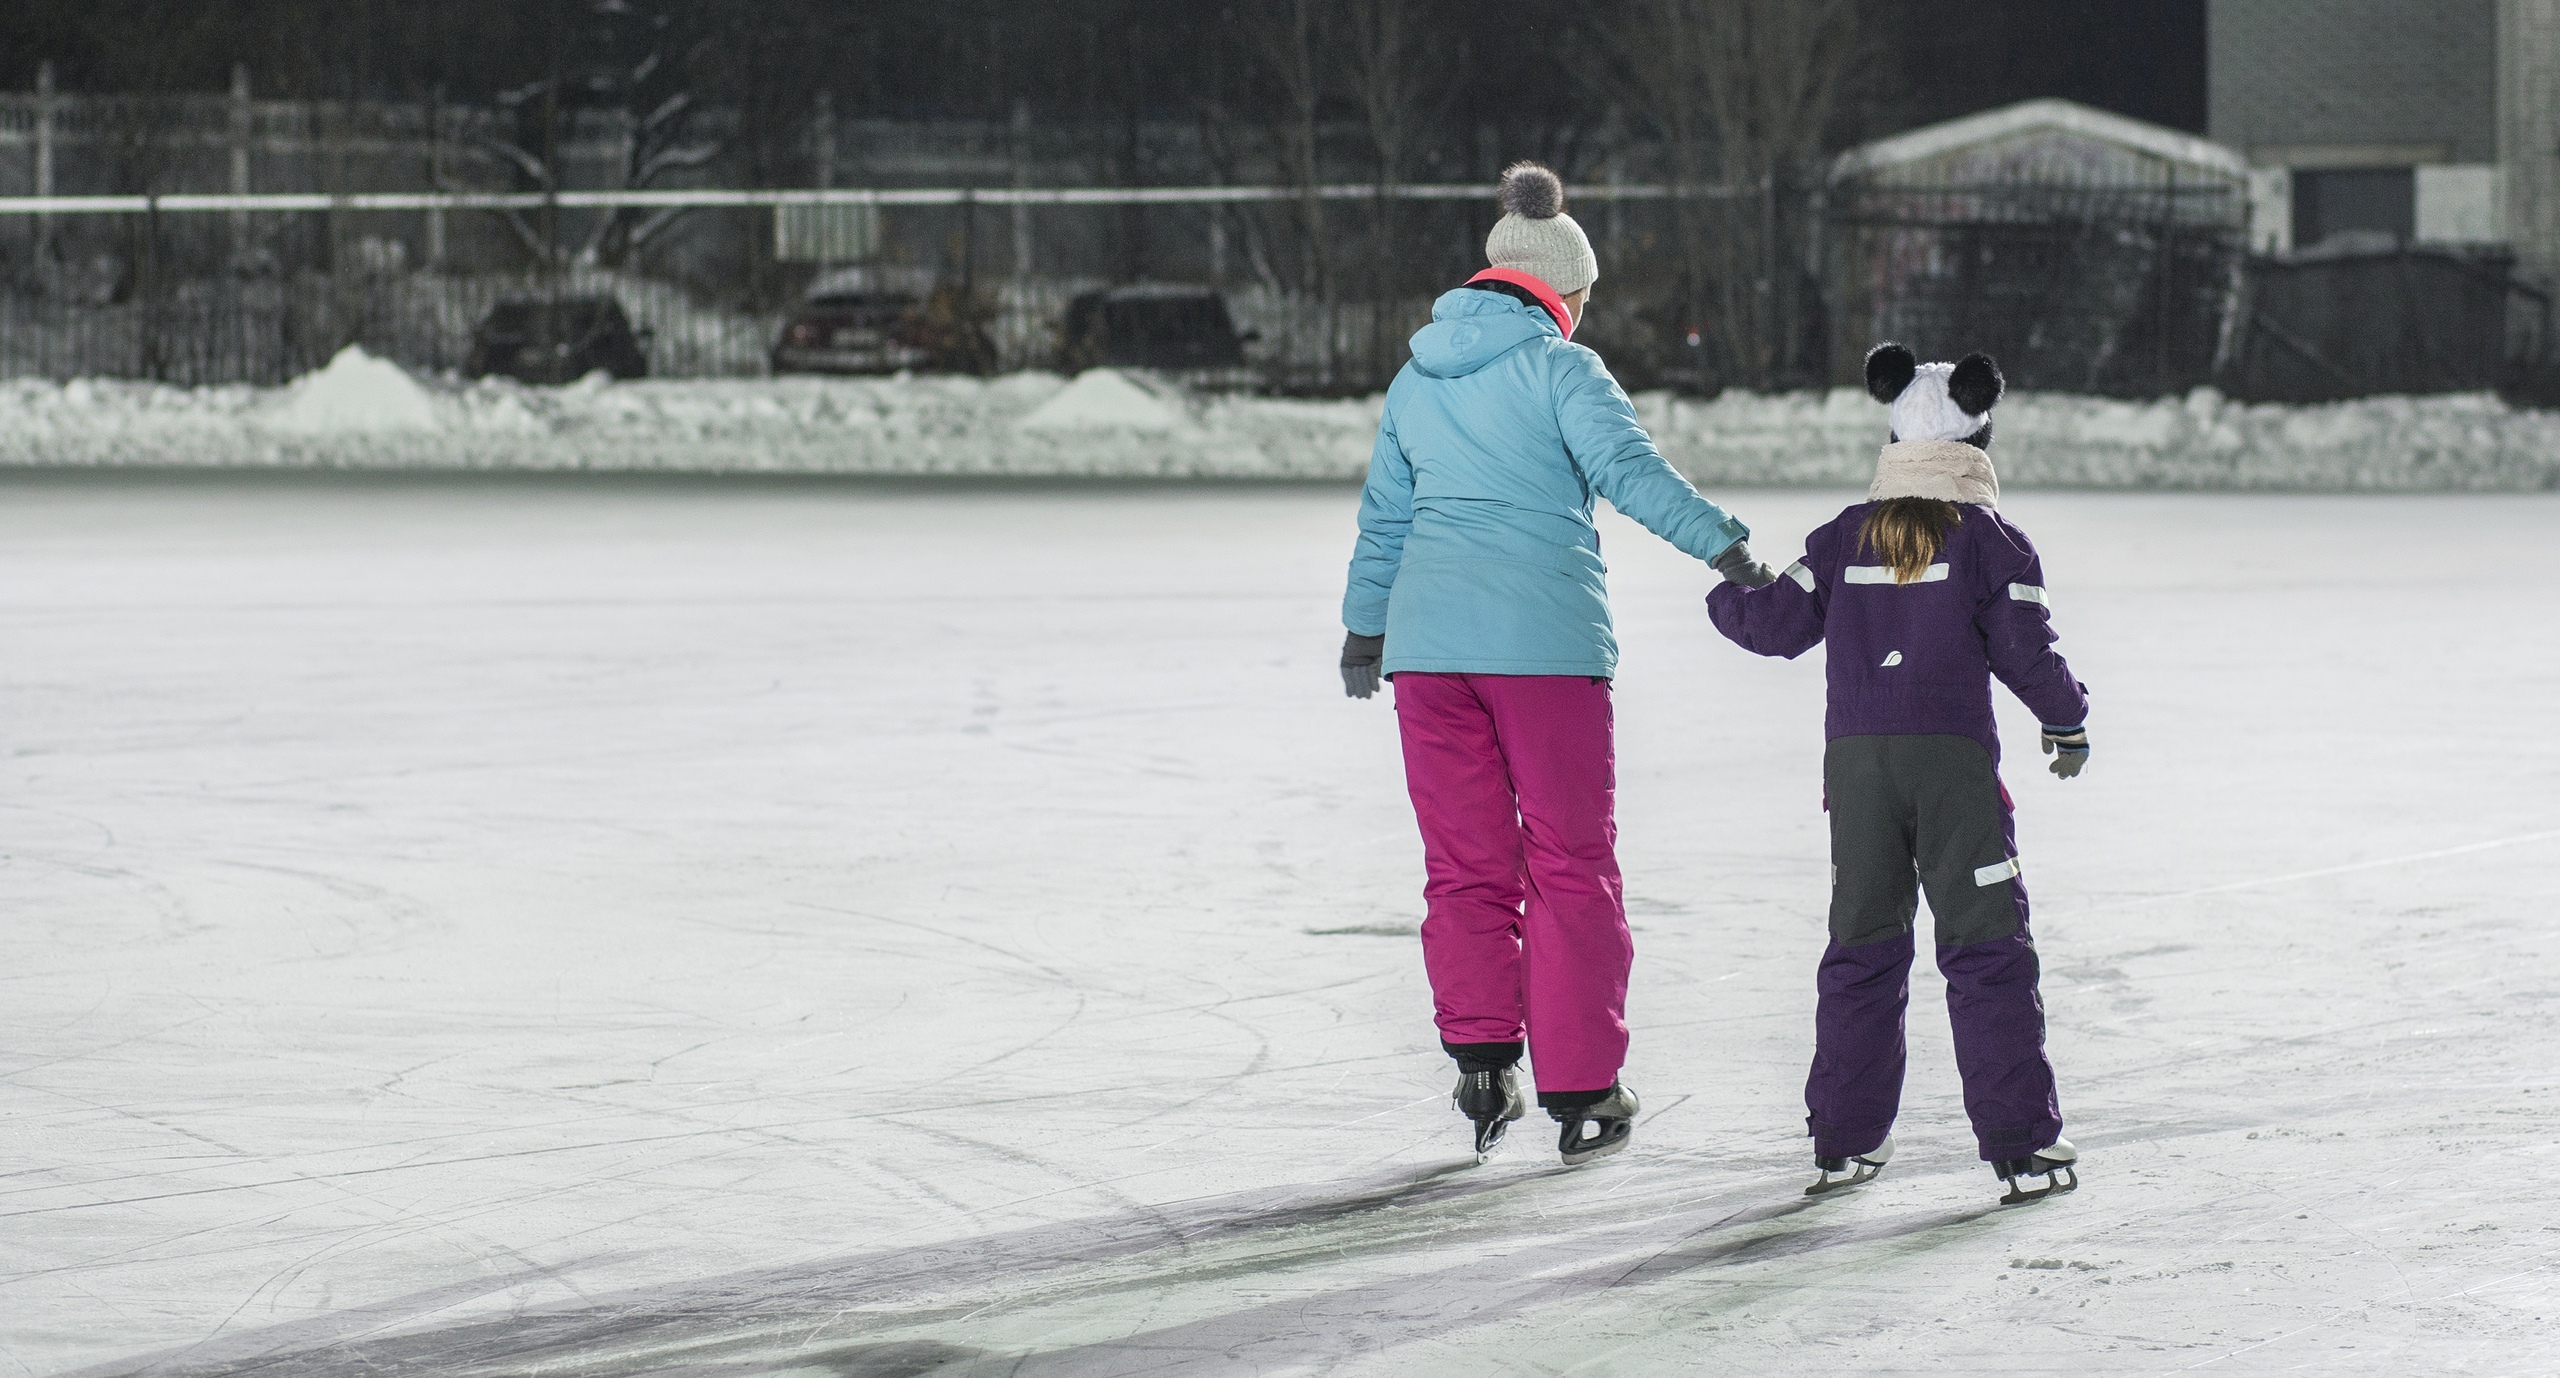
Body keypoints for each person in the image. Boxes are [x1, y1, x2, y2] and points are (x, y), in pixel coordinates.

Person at [1339, 161, 1774, 1165]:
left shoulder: (1415, 378)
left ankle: (1484, 1060)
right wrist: (1727, 547)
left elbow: (1385, 521)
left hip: (1430, 659)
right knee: (1571, 864)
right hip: (1544, 655)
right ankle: (1582, 1087)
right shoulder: (1561, 369)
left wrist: (1368, 631)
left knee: (1465, 866)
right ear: (1560, 288)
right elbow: (1628, 472)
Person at [1705, 342, 2090, 1204]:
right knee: (1987, 950)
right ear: (1978, 438)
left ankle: (1843, 1143)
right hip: (1952, 767)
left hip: (1859, 772)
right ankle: (2024, 1147)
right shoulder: (1991, 542)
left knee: (1863, 949)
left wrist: (1728, 585)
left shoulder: (1844, 537)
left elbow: (1772, 625)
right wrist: (2067, 721)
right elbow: (2028, 653)